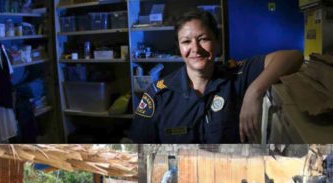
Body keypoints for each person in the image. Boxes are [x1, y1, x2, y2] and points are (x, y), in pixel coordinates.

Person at [130, 9, 303, 143]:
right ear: (179, 49)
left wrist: (254, 92)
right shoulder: (158, 94)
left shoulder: (236, 77)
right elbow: (140, 145)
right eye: (186, 42)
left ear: (217, 42)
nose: (196, 49)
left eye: (203, 39)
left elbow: (293, 56)